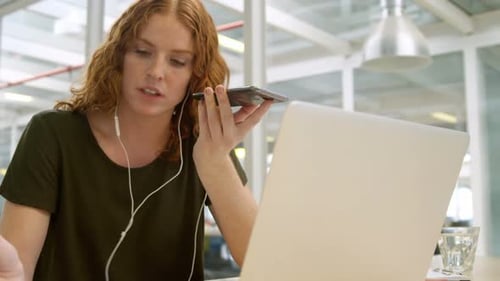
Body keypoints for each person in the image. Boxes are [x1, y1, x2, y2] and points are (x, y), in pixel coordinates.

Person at [0, 0, 271, 280]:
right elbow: (15, 268)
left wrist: (214, 163)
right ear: (118, 57)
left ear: (196, 75)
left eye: (177, 61)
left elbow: (264, 261)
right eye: (142, 52)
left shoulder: (205, 145)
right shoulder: (52, 135)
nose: (156, 72)